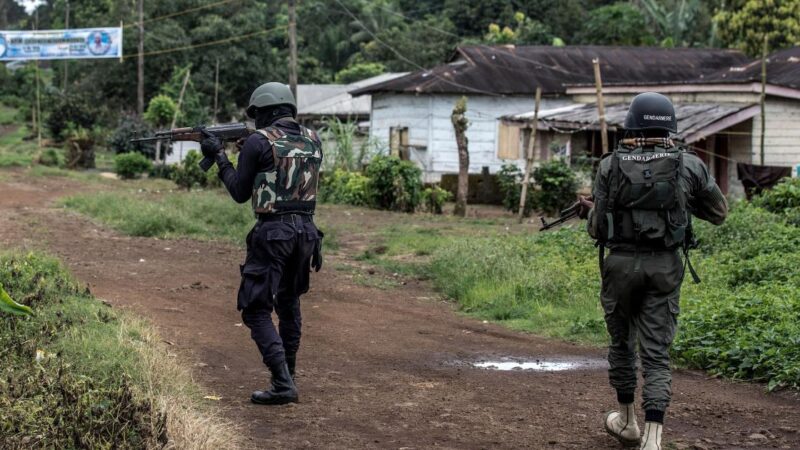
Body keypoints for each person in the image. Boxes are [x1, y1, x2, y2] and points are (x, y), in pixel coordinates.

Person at [576, 92, 727, 449]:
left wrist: (595, 212)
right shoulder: (689, 164)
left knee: (622, 344)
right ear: (670, 126)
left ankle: (627, 422)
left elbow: (598, 230)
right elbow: (718, 214)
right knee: (656, 353)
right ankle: (653, 439)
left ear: (630, 125)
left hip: (620, 267)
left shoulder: (609, 165)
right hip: (664, 267)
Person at [200, 82, 324, 405]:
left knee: (255, 308)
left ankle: (283, 384)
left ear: (266, 111)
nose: (255, 123)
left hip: (273, 234)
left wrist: (219, 157)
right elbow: (284, 172)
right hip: (307, 233)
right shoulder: (314, 140)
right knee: (289, 303)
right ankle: (288, 375)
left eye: (258, 116)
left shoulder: (258, 141)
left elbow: (241, 192)